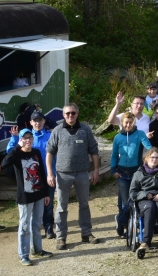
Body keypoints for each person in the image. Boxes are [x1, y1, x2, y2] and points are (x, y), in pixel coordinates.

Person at [46, 103, 100, 249]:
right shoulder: (57, 131)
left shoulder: (85, 130)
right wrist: (50, 173)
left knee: (84, 204)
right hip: (63, 174)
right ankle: (61, 237)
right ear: (63, 115)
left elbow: (94, 151)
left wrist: (96, 170)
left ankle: (86, 233)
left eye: (73, 113)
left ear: (77, 114)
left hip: (82, 173)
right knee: (62, 207)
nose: (70, 116)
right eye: (68, 113)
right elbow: (49, 152)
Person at [1, 129, 52, 265]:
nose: (28, 140)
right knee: (24, 225)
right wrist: (17, 146)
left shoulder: (36, 153)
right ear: (21, 140)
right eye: (25, 138)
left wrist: (46, 193)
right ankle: (23, 255)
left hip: (39, 193)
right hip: (25, 196)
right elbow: (4, 163)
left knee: (36, 223)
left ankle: (37, 249)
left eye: (30, 138)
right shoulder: (17, 154)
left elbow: (41, 173)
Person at [7, 109, 55, 239]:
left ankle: (49, 227)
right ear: (31, 122)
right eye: (35, 120)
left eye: (40, 120)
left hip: (48, 175)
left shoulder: (50, 136)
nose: (37, 123)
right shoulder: (26, 137)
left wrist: (54, 173)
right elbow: (10, 153)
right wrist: (15, 138)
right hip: (32, 178)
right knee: (34, 205)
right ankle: (36, 229)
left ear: (44, 121)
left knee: (48, 204)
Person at [111, 111, 153, 237]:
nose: (128, 125)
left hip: (136, 172)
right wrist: (113, 170)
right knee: (126, 201)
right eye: (126, 123)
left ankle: (122, 220)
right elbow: (113, 156)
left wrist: (151, 159)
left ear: (134, 122)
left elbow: (148, 148)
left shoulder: (139, 134)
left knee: (134, 198)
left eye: (130, 122)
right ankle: (124, 224)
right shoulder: (118, 138)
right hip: (122, 173)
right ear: (122, 123)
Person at [129, 148, 158, 251]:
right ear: (146, 158)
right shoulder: (138, 173)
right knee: (150, 208)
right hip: (145, 199)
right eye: (152, 157)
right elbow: (132, 193)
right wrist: (145, 194)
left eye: (156, 157)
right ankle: (146, 241)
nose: (154, 160)